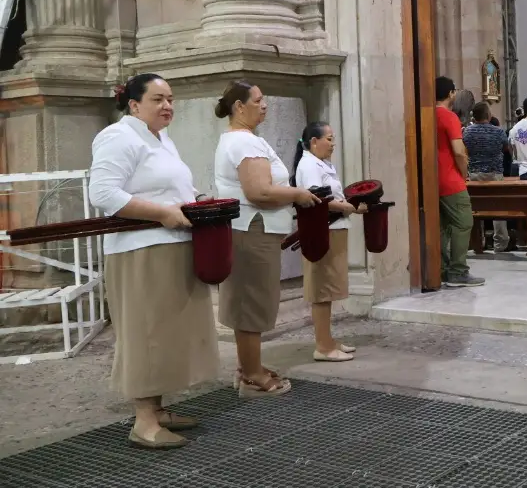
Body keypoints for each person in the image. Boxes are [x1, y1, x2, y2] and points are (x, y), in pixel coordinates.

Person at [88, 73, 219, 449]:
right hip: (139, 250)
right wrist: (162, 213)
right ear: (133, 105)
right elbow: (103, 193)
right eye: (158, 99)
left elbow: (168, 186)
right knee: (146, 333)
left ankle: (157, 409)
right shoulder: (118, 136)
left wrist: (197, 199)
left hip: (170, 244)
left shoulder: (161, 138)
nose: (167, 106)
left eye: (170, 99)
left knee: (165, 332)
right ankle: (144, 422)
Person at [214, 80, 321, 397]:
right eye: (258, 100)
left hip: (251, 229)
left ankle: (248, 367)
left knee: (250, 300)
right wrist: (298, 194)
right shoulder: (244, 142)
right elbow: (259, 192)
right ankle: (251, 376)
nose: (264, 105)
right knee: (251, 301)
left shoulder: (242, 139)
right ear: (239, 106)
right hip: (252, 229)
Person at [291, 121, 367, 363]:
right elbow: (318, 200)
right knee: (322, 290)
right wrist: (347, 207)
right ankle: (323, 346)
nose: (333, 144)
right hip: (322, 232)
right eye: (329, 139)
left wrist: (349, 204)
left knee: (328, 289)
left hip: (334, 229)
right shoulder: (309, 165)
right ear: (314, 142)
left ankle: (328, 340)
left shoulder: (321, 163)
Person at [435, 77, 485, 287]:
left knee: (443, 226)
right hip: (451, 180)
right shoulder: (449, 117)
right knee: (464, 222)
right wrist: (464, 172)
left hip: (433, 180)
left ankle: (441, 269)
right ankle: (458, 271)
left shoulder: (427, 115)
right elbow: (458, 152)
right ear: (450, 93)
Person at [464, 103, 510, 252]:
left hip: (475, 174)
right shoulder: (498, 131)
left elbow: (464, 150)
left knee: (475, 208)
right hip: (494, 173)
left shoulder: (467, 132)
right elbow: (507, 148)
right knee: (499, 209)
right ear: (488, 115)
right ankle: (500, 243)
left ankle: (478, 242)